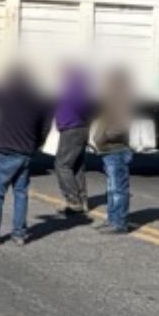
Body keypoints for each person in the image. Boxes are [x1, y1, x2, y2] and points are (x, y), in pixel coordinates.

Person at [0, 67, 48, 247]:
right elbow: (45, 126)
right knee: (20, 194)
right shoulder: (38, 100)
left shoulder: (3, 95)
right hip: (26, 153)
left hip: (6, 152)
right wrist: (37, 143)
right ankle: (19, 235)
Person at [90, 68, 134, 235]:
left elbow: (121, 127)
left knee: (118, 189)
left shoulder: (121, 98)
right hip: (109, 150)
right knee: (111, 189)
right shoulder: (112, 98)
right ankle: (112, 219)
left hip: (116, 150)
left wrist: (103, 138)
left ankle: (120, 223)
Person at [53, 66, 92, 215]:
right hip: (78, 128)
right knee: (76, 166)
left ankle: (73, 200)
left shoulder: (75, 84)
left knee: (62, 165)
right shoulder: (80, 83)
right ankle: (82, 201)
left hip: (72, 128)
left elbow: (79, 104)